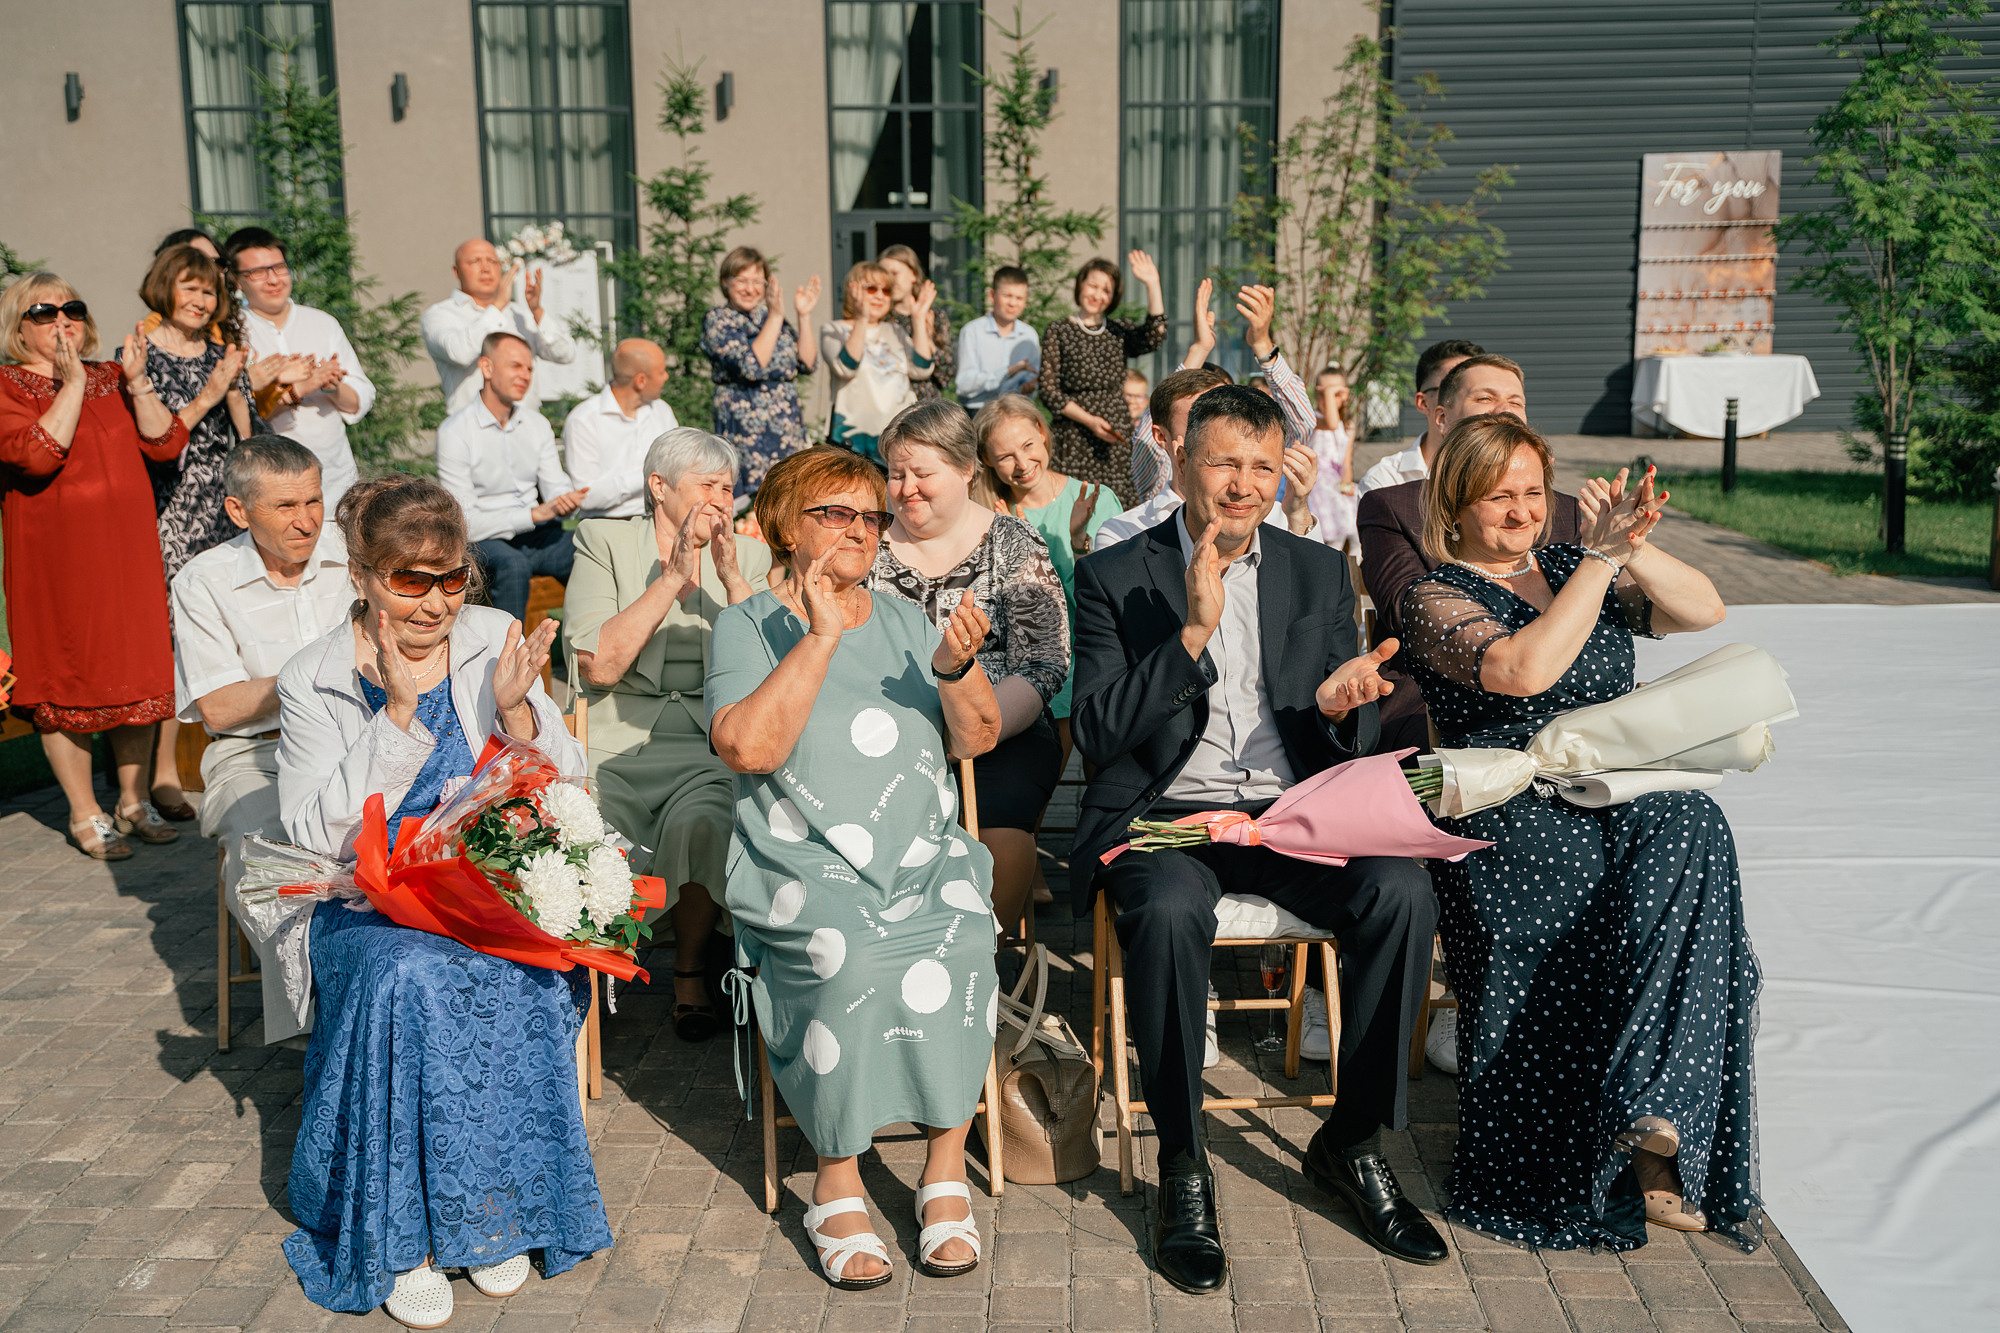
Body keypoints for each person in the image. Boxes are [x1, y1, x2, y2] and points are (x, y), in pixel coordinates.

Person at [1070, 384, 1446, 1291]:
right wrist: (1192, 633)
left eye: (1263, 467)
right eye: (1224, 462)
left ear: (1285, 474)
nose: (1243, 485)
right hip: (1167, 820)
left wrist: (1335, 708)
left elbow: (1333, 731)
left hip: (1289, 814)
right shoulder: (1113, 575)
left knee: (1402, 889)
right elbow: (1095, 733)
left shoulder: (1315, 571)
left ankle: (1351, 1141)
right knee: (1162, 910)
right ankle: (1184, 1163)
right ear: (1181, 461)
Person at [1396, 414, 1757, 1251]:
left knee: (1697, 823)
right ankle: (1602, 1147)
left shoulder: (1571, 564)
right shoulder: (1433, 594)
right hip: (1508, 808)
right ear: (1455, 504)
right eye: (1500, 496)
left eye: (1533, 491)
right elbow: (1523, 671)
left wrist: (1628, 541)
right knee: (1577, 870)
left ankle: (1654, 1114)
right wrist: (1597, 565)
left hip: (1610, 787)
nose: (1522, 511)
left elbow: (1705, 608)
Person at [274, 475, 600, 1324]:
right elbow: (316, 829)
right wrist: (397, 717)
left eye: (451, 578)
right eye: (409, 580)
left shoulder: (492, 634)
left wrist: (519, 711)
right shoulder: (312, 677)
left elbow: (565, 776)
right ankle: (404, 1237)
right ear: (362, 576)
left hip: (479, 885)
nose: (434, 601)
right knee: (411, 977)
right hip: (364, 902)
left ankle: (493, 1214)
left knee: (524, 969)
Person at [707, 445, 1001, 1290]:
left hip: (922, 854)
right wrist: (823, 637)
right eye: (836, 513)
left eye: (870, 516)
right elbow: (748, 747)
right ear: (784, 525)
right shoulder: (747, 624)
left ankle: (945, 1163)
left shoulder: (909, 619)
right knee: (851, 953)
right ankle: (837, 1173)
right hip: (800, 863)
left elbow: (976, 738)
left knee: (962, 937)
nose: (861, 530)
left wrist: (955, 668)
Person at [565, 428, 771, 1042]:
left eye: (729, 489)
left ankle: (689, 973)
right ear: (659, 487)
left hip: (709, 740)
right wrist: (671, 579)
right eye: (707, 485)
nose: (720, 499)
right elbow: (597, 664)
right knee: (594, 826)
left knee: (706, 817)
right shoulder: (603, 540)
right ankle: (591, 971)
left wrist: (733, 582)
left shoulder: (751, 556)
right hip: (614, 739)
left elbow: (769, 668)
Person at [0, 273, 189, 860]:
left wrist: (136, 384)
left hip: (126, 553)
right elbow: (35, 454)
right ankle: (86, 813)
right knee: (64, 676)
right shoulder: (8, 384)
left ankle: (133, 804)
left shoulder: (113, 377)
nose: (63, 320)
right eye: (44, 311)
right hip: (55, 560)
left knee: (135, 674)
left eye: (72, 308)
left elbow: (165, 443)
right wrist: (73, 382)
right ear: (17, 327)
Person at [171, 436, 351, 1043]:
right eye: (284, 507)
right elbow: (221, 706)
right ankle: (318, 1027)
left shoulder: (354, 556)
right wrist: (320, 668)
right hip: (254, 752)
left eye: (314, 500)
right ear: (238, 511)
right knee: (270, 860)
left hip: (359, 736)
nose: (306, 521)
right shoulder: (204, 581)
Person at [868, 401, 1069, 934]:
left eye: (923, 473)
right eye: (895, 473)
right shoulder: (866, 544)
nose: (907, 487)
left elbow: (1046, 662)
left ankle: (981, 966)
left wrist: (980, 727)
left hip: (1003, 726)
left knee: (999, 838)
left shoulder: (1012, 542)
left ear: (964, 470)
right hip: (887, 732)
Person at [1359, 354, 1579, 754]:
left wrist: (1623, 547)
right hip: (1445, 697)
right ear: (1441, 417)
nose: (1503, 412)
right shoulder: (1394, 505)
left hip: (1564, 699)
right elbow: (1405, 613)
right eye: (1485, 400)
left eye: (1515, 402)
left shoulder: (1562, 509)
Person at [141, 243, 260, 821]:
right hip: (170, 506)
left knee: (231, 623)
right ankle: (164, 772)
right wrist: (213, 387)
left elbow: (248, 435)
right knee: (175, 636)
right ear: (165, 288)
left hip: (227, 500)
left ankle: (229, 752)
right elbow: (159, 441)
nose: (199, 299)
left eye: (208, 290)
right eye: (189, 287)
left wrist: (236, 387)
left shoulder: (222, 353)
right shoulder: (139, 356)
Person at [975, 393, 1118, 747]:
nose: (1022, 463)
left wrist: (1075, 542)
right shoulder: (984, 513)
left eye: (1027, 445)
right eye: (1007, 456)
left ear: (1042, 431)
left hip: (1087, 667)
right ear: (986, 460)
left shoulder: (1095, 498)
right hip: (1014, 675)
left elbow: (1105, 607)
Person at [1121, 280, 1318, 520]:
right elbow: (1160, 415)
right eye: (1198, 414)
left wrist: (1262, 344)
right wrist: (1199, 349)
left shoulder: (1257, 504)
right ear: (1163, 438)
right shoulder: (1155, 484)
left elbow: (1301, 424)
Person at [434, 331, 588, 621]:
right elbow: (465, 523)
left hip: (538, 535)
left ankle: (595, 651)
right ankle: (511, 660)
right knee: (512, 565)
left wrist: (568, 500)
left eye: (529, 368)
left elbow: (555, 486)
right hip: (486, 540)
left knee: (591, 544)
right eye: (515, 366)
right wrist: (534, 515)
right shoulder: (455, 432)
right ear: (487, 368)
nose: (525, 375)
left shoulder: (536, 424)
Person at [224, 227, 375, 514]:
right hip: (269, 483)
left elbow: (361, 400)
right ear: (237, 280)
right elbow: (238, 415)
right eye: (257, 272)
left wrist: (329, 384)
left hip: (335, 479)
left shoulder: (322, 323)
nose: (273, 279)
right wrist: (296, 389)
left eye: (278, 267)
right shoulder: (233, 331)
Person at [1037, 252, 1166, 505]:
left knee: (1118, 506)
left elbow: (1154, 336)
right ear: (1080, 284)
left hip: (1114, 438)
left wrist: (1153, 284)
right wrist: (1090, 421)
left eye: (1106, 290)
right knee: (1072, 504)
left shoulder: (1117, 330)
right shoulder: (1059, 329)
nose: (1098, 295)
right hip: (1073, 436)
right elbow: (1048, 391)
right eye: (1093, 285)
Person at [701, 247, 818, 494]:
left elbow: (807, 363)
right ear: (725, 282)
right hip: (744, 427)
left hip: (786, 427)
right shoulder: (719, 319)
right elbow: (751, 366)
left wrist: (804, 316)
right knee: (752, 501)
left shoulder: (771, 317)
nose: (750, 288)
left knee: (790, 495)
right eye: (742, 280)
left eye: (757, 281)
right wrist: (776, 316)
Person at [420, 236, 576, 417]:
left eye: (492, 261)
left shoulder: (520, 314)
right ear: (456, 271)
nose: (485, 269)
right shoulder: (440, 314)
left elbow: (566, 354)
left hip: (524, 427)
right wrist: (496, 308)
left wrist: (537, 311)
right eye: (474, 261)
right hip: (472, 430)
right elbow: (459, 353)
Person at [821, 261, 932, 461]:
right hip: (853, 440)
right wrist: (861, 319)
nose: (880, 296)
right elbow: (846, 368)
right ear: (853, 290)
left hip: (897, 436)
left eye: (886, 290)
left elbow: (922, 369)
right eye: (872, 289)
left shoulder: (895, 330)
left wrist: (918, 319)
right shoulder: (834, 330)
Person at [562, 338, 678, 519]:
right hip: (608, 523)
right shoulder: (584, 420)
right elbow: (586, 497)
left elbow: (678, 468)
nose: (666, 377)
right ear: (641, 380)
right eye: (661, 371)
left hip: (662, 518)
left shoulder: (662, 410)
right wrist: (649, 474)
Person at [1356, 339, 1483, 495]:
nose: (1475, 405)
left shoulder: (1514, 472)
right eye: (1455, 390)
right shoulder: (1386, 481)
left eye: (1483, 396)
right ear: (1423, 403)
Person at [954, 265, 1040, 413]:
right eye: (1007, 296)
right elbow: (963, 385)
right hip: (979, 412)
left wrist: (1029, 388)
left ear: (1025, 301)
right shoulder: (972, 332)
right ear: (992, 295)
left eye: (1019, 298)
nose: (1012, 303)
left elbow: (1032, 379)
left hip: (1017, 412)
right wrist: (1006, 372)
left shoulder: (1029, 335)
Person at [879, 244, 954, 406]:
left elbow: (946, 374)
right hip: (891, 405)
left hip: (928, 406)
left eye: (895, 273)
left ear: (913, 274)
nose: (889, 280)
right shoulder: (881, 319)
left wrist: (928, 339)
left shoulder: (934, 315)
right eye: (884, 274)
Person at [1303, 367, 1360, 555]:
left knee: (1353, 529)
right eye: (1324, 392)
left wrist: (1347, 484)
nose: (1329, 398)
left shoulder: (1349, 425)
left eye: (1336, 393)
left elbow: (1346, 461)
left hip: (1336, 481)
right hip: (1318, 481)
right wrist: (1330, 392)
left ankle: (1352, 565)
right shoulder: (1312, 419)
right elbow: (1331, 421)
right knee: (1330, 535)